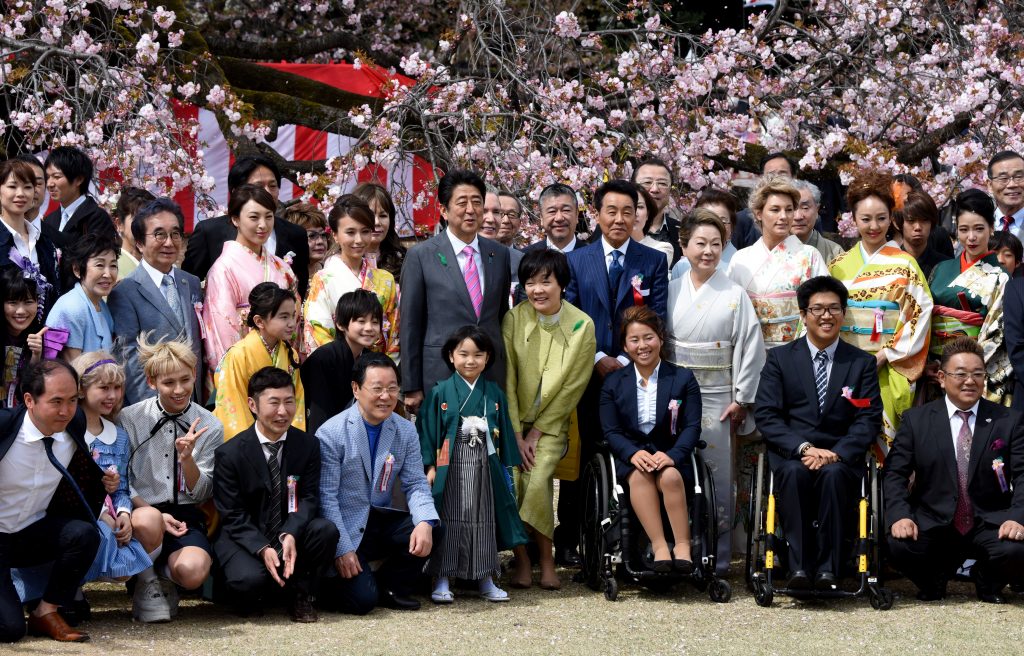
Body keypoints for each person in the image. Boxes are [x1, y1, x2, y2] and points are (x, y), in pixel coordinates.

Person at [560, 178, 669, 565]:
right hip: (586, 375)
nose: (620, 218)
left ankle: (631, 537)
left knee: (634, 450)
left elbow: (656, 318)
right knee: (581, 454)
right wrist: (596, 358)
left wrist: (625, 360)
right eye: (612, 210)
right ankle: (571, 538)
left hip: (634, 374)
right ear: (598, 215)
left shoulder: (652, 260)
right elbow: (567, 317)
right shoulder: (575, 261)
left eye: (628, 211)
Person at [754, 276, 883, 589]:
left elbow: (867, 417)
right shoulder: (780, 359)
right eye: (818, 309)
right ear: (803, 315)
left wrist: (836, 453)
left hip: (841, 456)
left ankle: (830, 568)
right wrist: (805, 449)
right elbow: (767, 415)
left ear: (843, 313)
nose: (827, 316)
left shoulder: (861, 363)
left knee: (835, 476)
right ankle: (798, 567)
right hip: (794, 454)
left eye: (834, 309)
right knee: (796, 475)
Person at [885, 337, 1024, 603]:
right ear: (941, 377)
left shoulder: (1008, 420)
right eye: (960, 374)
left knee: (1017, 550)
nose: (970, 381)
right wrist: (900, 516)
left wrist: (1018, 517)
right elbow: (894, 474)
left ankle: (987, 580)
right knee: (898, 545)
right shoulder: (917, 420)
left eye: (977, 374)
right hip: (933, 519)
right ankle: (933, 580)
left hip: (990, 519)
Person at [666, 209, 765, 572]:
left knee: (717, 476)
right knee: (674, 468)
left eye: (716, 244)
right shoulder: (671, 290)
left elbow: (750, 348)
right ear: (684, 245)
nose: (708, 251)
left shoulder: (735, 294)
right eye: (700, 243)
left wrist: (741, 398)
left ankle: (716, 557)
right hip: (674, 395)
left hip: (719, 396)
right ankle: (674, 551)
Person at [213, 367, 340, 622]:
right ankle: (262, 589)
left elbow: (308, 498)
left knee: (325, 531)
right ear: (253, 404)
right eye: (274, 403)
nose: (283, 412)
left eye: (289, 402)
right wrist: (261, 547)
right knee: (248, 581)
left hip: (288, 529)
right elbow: (232, 514)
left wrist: (290, 532)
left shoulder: (308, 445)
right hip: (246, 535)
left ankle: (303, 594)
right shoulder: (230, 453)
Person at [318, 353, 438, 614]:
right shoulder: (331, 432)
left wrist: (425, 522)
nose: (386, 396)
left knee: (433, 525)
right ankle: (330, 587)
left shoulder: (404, 430)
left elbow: (416, 483)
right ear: (356, 389)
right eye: (377, 389)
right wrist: (342, 549)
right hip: (346, 528)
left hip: (380, 520)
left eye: (392, 388)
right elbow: (325, 498)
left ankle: (391, 587)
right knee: (363, 603)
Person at [503, 250, 595, 589]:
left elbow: (574, 387)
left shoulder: (581, 324)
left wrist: (537, 432)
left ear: (562, 285)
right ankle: (523, 560)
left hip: (552, 427)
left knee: (538, 479)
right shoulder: (514, 319)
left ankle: (546, 559)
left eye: (546, 281)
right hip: (513, 425)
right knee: (512, 480)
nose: (537, 289)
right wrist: (515, 433)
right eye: (530, 282)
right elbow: (508, 379)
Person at [417, 327, 527, 604]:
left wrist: (508, 466)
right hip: (448, 464)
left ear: (487, 358)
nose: (470, 360)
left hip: (485, 464)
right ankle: (441, 577)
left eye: (478, 355)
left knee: (484, 520)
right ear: (451, 357)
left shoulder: (493, 392)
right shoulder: (440, 391)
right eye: (463, 354)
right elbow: (427, 430)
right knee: (448, 518)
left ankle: (486, 577)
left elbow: (503, 428)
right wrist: (429, 466)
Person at [829, 170, 933, 458]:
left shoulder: (905, 264)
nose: (874, 226)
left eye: (881, 218)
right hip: (844, 362)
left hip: (888, 364)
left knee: (889, 447)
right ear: (853, 219)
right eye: (865, 219)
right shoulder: (838, 265)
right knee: (843, 442)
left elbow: (920, 314)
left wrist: (885, 355)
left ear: (892, 218)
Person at [119, 333, 222, 622]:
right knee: (147, 520)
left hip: (186, 514)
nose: (179, 390)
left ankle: (163, 577)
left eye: (185, 380)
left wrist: (187, 459)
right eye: (168, 382)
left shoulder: (210, 424)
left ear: (194, 375)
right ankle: (145, 581)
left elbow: (202, 492)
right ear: (152, 382)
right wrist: (151, 512)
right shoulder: (129, 418)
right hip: (141, 510)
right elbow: (122, 478)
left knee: (193, 571)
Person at [0, 359, 105, 643]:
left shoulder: (75, 423)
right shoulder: (4, 427)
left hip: (30, 532)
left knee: (85, 534)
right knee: (9, 630)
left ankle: (45, 611)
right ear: (29, 400)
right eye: (56, 401)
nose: (66, 411)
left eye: (73, 400)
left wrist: (103, 483)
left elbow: (83, 474)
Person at [400, 169, 512, 414]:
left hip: (489, 375)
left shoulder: (499, 254)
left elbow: (501, 315)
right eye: (462, 203)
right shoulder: (421, 255)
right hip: (440, 374)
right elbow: (410, 323)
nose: (471, 210)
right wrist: (411, 385)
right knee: (443, 449)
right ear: (443, 210)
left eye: (477, 202)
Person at [601, 306, 701, 572]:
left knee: (669, 477)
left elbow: (692, 426)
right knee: (639, 477)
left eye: (648, 337)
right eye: (634, 340)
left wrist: (673, 455)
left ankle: (682, 545)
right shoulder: (613, 383)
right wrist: (632, 454)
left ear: (661, 339)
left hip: (670, 452)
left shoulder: (682, 378)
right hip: (632, 454)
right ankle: (659, 547)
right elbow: (610, 431)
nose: (642, 346)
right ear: (624, 345)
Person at [68, 353, 156, 587]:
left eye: (117, 388)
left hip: (111, 514)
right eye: (104, 387)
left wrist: (125, 513)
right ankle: (71, 588)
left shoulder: (119, 436)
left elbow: (122, 486)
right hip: (76, 512)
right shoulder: (67, 431)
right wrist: (99, 513)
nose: (113, 395)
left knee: (124, 562)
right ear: (81, 389)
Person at [108, 198, 204, 406]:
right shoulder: (125, 291)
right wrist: (153, 411)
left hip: (193, 401)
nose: (169, 242)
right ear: (140, 243)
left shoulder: (192, 283)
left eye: (175, 234)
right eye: (159, 234)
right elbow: (129, 358)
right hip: (154, 405)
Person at [202, 185, 298, 372]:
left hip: (282, 363)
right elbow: (222, 332)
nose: (263, 225)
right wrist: (236, 372)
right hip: (245, 367)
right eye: (254, 217)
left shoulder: (281, 266)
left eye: (268, 216)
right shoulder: (223, 269)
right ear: (235, 219)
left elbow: (294, 322)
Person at [182, 156, 310, 295]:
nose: (267, 192)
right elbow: (188, 285)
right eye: (258, 187)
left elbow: (300, 290)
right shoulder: (210, 232)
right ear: (236, 192)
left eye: (272, 186)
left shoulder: (296, 234)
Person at [727, 174, 828, 350]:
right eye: (775, 210)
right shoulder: (740, 259)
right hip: (750, 349)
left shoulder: (809, 256)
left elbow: (822, 305)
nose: (784, 216)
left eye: (789, 210)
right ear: (759, 213)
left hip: (796, 348)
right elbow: (731, 310)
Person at [302, 195, 398, 359]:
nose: (359, 240)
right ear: (335, 235)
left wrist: (382, 368)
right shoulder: (323, 280)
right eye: (350, 232)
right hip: (338, 367)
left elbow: (394, 335)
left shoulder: (386, 279)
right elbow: (318, 332)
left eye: (365, 232)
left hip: (378, 370)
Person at [214, 283, 305, 440]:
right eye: (284, 317)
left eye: (293, 315)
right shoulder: (238, 354)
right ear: (259, 321)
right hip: (248, 438)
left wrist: (291, 440)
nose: (291, 323)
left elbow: (296, 400)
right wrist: (253, 445)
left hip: (282, 433)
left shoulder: (291, 355)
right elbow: (233, 405)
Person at [928, 189, 1008, 360]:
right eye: (964, 229)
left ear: (992, 228)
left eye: (979, 229)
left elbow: (998, 334)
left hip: (972, 364)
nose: (971, 237)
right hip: (934, 364)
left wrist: (966, 366)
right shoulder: (941, 268)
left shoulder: (1002, 277)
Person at [301, 289, 382, 437]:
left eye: (375, 322)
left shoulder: (371, 359)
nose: (369, 328)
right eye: (361, 321)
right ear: (340, 324)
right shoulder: (324, 359)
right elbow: (319, 415)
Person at [45, 232, 119, 362]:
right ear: (77, 269)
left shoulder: (100, 303)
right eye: (99, 265)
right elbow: (75, 371)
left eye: (113, 265)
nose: (108, 274)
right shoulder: (72, 307)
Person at [0, 159, 61, 306]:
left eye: (27, 187)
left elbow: (54, 293)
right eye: (12, 186)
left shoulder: (45, 243)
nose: (21, 194)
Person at [41, 146, 116, 255]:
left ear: (79, 179)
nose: (49, 184)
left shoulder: (97, 218)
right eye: (48, 177)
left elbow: (84, 254)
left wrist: (39, 225)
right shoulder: (50, 219)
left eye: (56, 177)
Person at [730, 153, 799, 249]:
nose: (776, 178)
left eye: (782, 174)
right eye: (775, 209)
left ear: (794, 177)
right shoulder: (743, 220)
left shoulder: (805, 216)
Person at [0, 268, 47, 408]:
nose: (20, 311)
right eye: (12, 302)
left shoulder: (38, 336)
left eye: (28, 302)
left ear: (38, 302)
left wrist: (36, 356)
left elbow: (28, 387)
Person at [670, 189, 740, 279]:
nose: (715, 227)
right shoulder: (682, 266)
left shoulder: (741, 264)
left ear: (732, 226)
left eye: (722, 221)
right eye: (706, 220)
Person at [632, 157, 682, 265]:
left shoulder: (683, 232)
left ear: (670, 191)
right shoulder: (615, 228)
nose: (654, 189)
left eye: (662, 183)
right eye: (647, 182)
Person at [893, 189, 952, 279]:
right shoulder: (889, 265)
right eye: (911, 221)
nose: (918, 227)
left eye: (924, 220)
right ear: (897, 223)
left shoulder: (946, 266)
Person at [352, 182, 406, 280]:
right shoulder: (340, 262)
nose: (377, 222)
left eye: (383, 216)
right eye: (370, 215)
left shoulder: (403, 259)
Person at [791, 180, 844, 264]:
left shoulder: (835, 253)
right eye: (791, 208)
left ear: (817, 210)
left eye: (805, 208)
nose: (798, 217)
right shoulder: (771, 251)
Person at [521, 183, 580, 255]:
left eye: (566, 210)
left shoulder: (595, 257)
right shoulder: (524, 257)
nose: (559, 218)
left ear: (577, 215)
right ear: (541, 218)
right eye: (552, 211)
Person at [281, 202, 330, 285]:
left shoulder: (332, 269)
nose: (320, 241)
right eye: (312, 235)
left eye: (323, 235)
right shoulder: (282, 275)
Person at [112, 188, 156, 280]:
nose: (145, 226)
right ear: (119, 224)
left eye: (151, 220)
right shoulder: (112, 266)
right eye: (138, 219)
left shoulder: (161, 263)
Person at [632, 185, 674, 268]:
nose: (635, 213)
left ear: (647, 214)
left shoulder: (661, 249)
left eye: (640, 207)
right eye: (628, 207)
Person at [987, 150, 1024, 237]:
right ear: (990, 185)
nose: (1012, 185)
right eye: (1003, 178)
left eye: (1019, 177)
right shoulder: (979, 225)